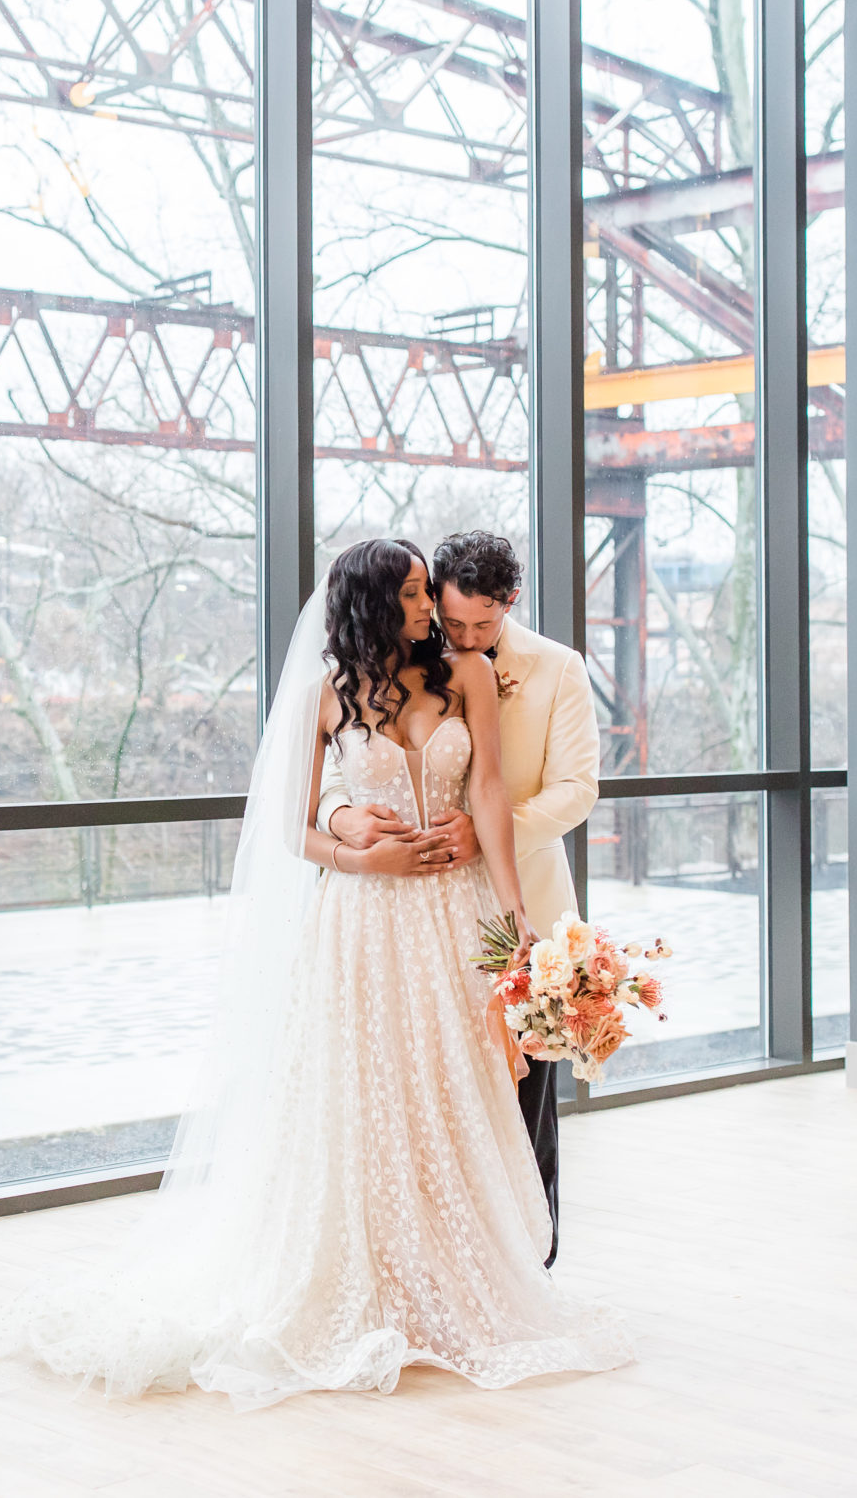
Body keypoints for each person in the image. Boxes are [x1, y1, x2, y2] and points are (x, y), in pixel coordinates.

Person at [0, 539, 629, 1409]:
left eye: (430, 591)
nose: (430, 606)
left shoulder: (467, 675)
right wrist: (361, 856)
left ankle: (457, 1278)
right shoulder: (327, 696)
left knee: (454, 1091)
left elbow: (495, 805)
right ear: (370, 604)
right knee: (365, 1098)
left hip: (455, 912)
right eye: (414, 594)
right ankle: (367, 1278)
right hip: (362, 923)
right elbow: (294, 832)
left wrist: (513, 928)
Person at [317, 530, 599, 1263]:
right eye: (449, 616)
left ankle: (529, 1264)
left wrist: (486, 842)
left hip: (511, 897)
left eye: (481, 624)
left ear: (511, 602)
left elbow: (574, 789)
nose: (463, 634)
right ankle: (424, 1257)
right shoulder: (393, 668)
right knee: (413, 1093)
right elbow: (321, 784)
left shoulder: (556, 669)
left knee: (523, 1094)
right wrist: (347, 828)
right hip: (387, 914)